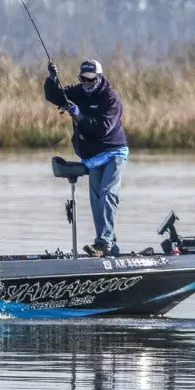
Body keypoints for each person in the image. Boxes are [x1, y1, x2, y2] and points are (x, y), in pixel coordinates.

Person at [44, 58, 129, 257]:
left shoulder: (111, 99)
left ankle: (104, 243)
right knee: (97, 200)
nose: (87, 84)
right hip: (93, 157)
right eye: (83, 79)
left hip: (114, 152)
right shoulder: (79, 90)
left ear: (99, 78)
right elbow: (56, 96)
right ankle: (110, 246)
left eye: (91, 80)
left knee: (108, 193)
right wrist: (52, 79)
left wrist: (79, 116)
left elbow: (102, 129)